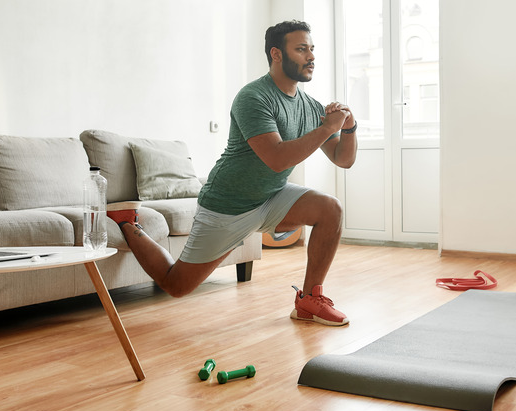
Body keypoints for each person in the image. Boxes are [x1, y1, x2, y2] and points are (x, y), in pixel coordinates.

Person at [108, 20, 358, 326]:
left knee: (330, 209)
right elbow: (276, 159)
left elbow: (343, 160)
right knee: (176, 285)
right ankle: (128, 224)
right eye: (302, 49)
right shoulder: (253, 97)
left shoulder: (311, 106)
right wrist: (326, 128)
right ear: (276, 54)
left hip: (271, 197)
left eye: (312, 49)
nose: (311, 56)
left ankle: (309, 301)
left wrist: (349, 129)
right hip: (227, 205)